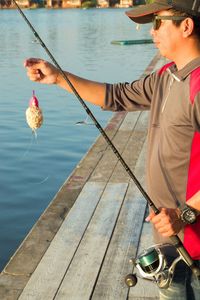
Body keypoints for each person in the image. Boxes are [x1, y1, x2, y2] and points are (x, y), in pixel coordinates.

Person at [24, 0, 200, 299]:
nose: (152, 32)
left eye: (158, 22)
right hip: (170, 245)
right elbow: (115, 96)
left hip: (193, 245)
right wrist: (57, 77)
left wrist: (186, 214)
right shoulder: (165, 76)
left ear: (187, 25)